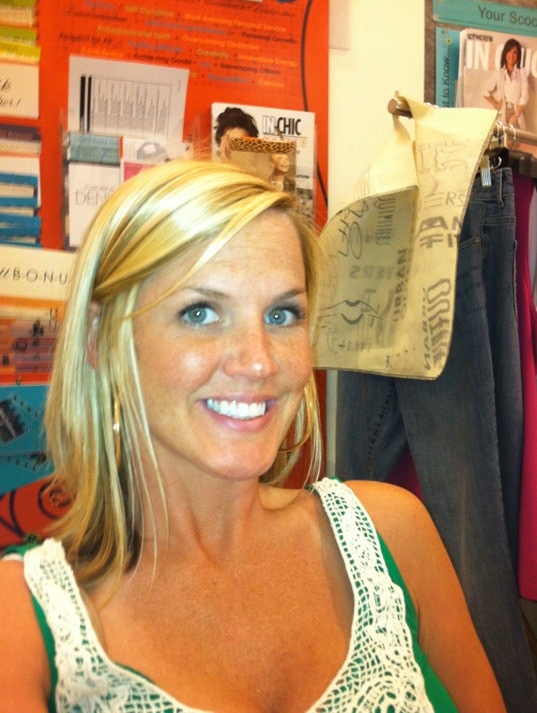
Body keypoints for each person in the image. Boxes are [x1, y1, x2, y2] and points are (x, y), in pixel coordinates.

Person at [0, 159, 505, 712]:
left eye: (282, 315)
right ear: (100, 339)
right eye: (200, 312)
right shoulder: (23, 619)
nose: (259, 361)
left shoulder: (393, 536)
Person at [483, 37, 529, 129]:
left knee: (518, 137)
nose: (511, 55)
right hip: (503, 112)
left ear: (518, 55)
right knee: (503, 137)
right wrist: (495, 104)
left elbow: (525, 96)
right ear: (505, 53)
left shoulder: (522, 72)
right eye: (509, 51)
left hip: (517, 112)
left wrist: (516, 115)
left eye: (514, 52)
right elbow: (484, 90)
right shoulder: (499, 73)